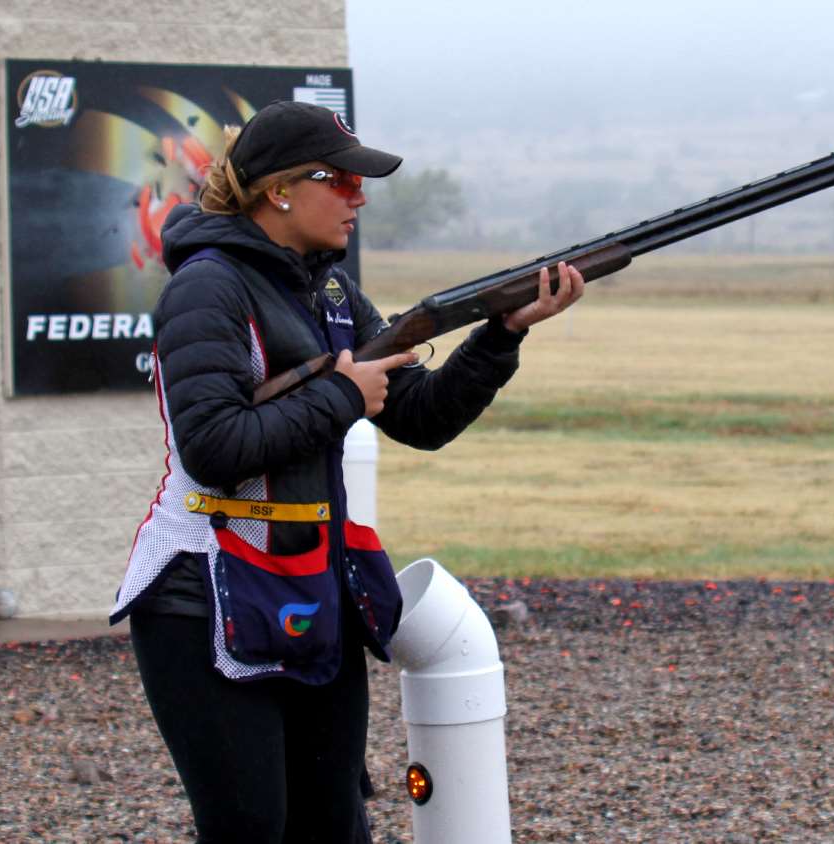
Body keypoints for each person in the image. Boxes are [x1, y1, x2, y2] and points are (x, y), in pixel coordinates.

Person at [110, 100, 584, 843]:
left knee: (335, 825)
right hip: (201, 593)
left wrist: (501, 335)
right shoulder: (208, 287)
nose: (360, 197)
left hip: (309, 583)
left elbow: (420, 418)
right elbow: (215, 447)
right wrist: (339, 393)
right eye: (342, 181)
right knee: (249, 828)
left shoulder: (328, 290)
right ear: (281, 189)